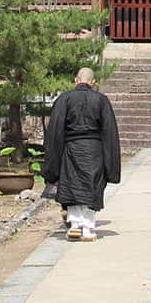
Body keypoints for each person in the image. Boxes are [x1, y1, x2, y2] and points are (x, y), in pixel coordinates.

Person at [43, 67, 121, 242]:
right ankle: (87, 229)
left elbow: (55, 130)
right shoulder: (101, 100)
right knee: (92, 187)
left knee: (72, 186)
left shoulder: (64, 99)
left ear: (76, 81)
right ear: (93, 82)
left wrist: (53, 158)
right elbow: (109, 131)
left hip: (71, 148)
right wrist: (110, 162)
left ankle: (74, 225)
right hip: (94, 150)